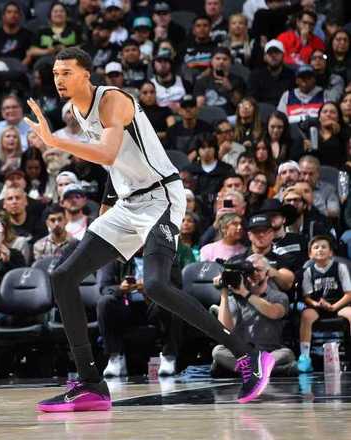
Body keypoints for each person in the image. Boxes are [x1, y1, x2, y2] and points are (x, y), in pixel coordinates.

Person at [25, 47, 275, 412]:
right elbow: (116, 164)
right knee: (63, 276)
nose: (58, 79)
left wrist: (55, 141)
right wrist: (107, 206)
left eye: (66, 72)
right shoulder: (79, 110)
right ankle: (91, 383)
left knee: (156, 285)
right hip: (128, 203)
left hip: (161, 197)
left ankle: (247, 355)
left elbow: (108, 153)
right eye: (55, 73)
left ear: (86, 75)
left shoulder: (111, 100)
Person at [212, 254, 295, 377]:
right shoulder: (234, 297)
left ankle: (245, 370)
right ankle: (269, 370)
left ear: (267, 273)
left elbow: (274, 312)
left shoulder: (278, 296)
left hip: (269, 352)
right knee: (218, 351)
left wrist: (245, 293)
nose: (254, 274)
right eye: (249, 271)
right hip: (242, 353)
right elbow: (225, 329)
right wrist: (224, 293)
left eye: (258, 270)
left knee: (286, 354)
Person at [298, 235, 351, 373]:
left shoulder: (340, 267)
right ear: (310, 254)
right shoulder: (308, 271)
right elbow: (307, 297)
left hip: (338, 304)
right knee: (306, 315)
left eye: (323, 247)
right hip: (318, 306)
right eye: (316, 247)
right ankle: (304, 357)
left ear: (331, 252)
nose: (320, 249)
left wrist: (334, 306)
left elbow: (349, 294)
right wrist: (316, 304)